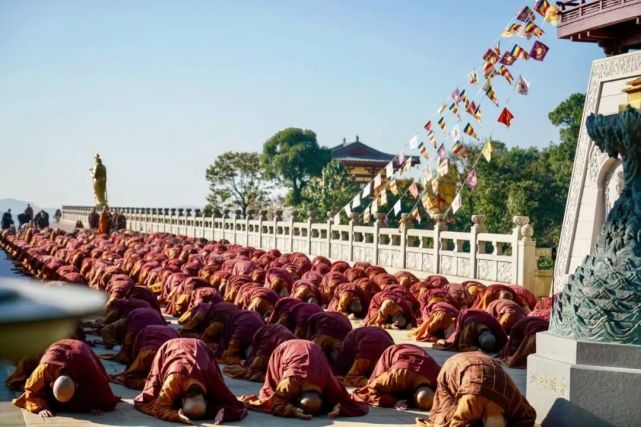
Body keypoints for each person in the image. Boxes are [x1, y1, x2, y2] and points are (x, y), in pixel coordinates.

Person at [241, 340, 369, 420]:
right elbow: (276, 402)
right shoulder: (290, 381)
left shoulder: (328, 380)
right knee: (273, 390)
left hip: (313, 349)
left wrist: (338, 407)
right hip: (285, 348)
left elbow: (342, 397)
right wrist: (292, 411)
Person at [134, 338, 247, 424]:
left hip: (200, 345)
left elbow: (235, 405)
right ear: (182, 401)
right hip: (170, 346)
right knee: (153, 392)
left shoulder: (212, 379)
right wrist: (176, 416)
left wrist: (223, 413)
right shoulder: (173, 380)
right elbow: (159, 407)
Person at [418, 352, 536, 427]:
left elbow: (528, 417)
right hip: (454, 366)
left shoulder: (511, 398)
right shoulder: (470, 403)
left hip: (485, 364)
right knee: (443, 421)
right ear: (483, 419)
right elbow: (457, 423)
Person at [12, 339, 120, 418]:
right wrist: (40, 407)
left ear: (77, 385)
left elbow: (103, 390)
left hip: (81, 350)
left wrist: (97, 403)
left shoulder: (89, 370)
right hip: (57, 348)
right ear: (51, 384)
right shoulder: (45, 368)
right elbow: (31, 390)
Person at [352, 344, 440, 411]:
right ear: (413, 394)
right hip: (393, 352)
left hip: (416, 353)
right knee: (374, 386)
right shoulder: (397, 375)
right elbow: (373, 388)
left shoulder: (439, 377)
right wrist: (393, 402)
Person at [110, 325, 180, 389]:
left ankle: (154, 383)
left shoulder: (142, 332)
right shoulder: (173, 331)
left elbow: (134, 351)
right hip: (170, 355)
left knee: (130, 378)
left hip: (148, 352)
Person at [223, 324, 296, 382]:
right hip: (292, 349)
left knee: (254, 373)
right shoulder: (268, 334)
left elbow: (254, 368)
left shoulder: (265, 337)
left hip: (289, 353)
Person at [434, 309, 507, 353]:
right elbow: (462, 344)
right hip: (467, 316)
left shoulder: (495, 327)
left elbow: (504, 341)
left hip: (483, 317)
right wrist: (477, 349)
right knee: (451, 341)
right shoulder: (469, 328)